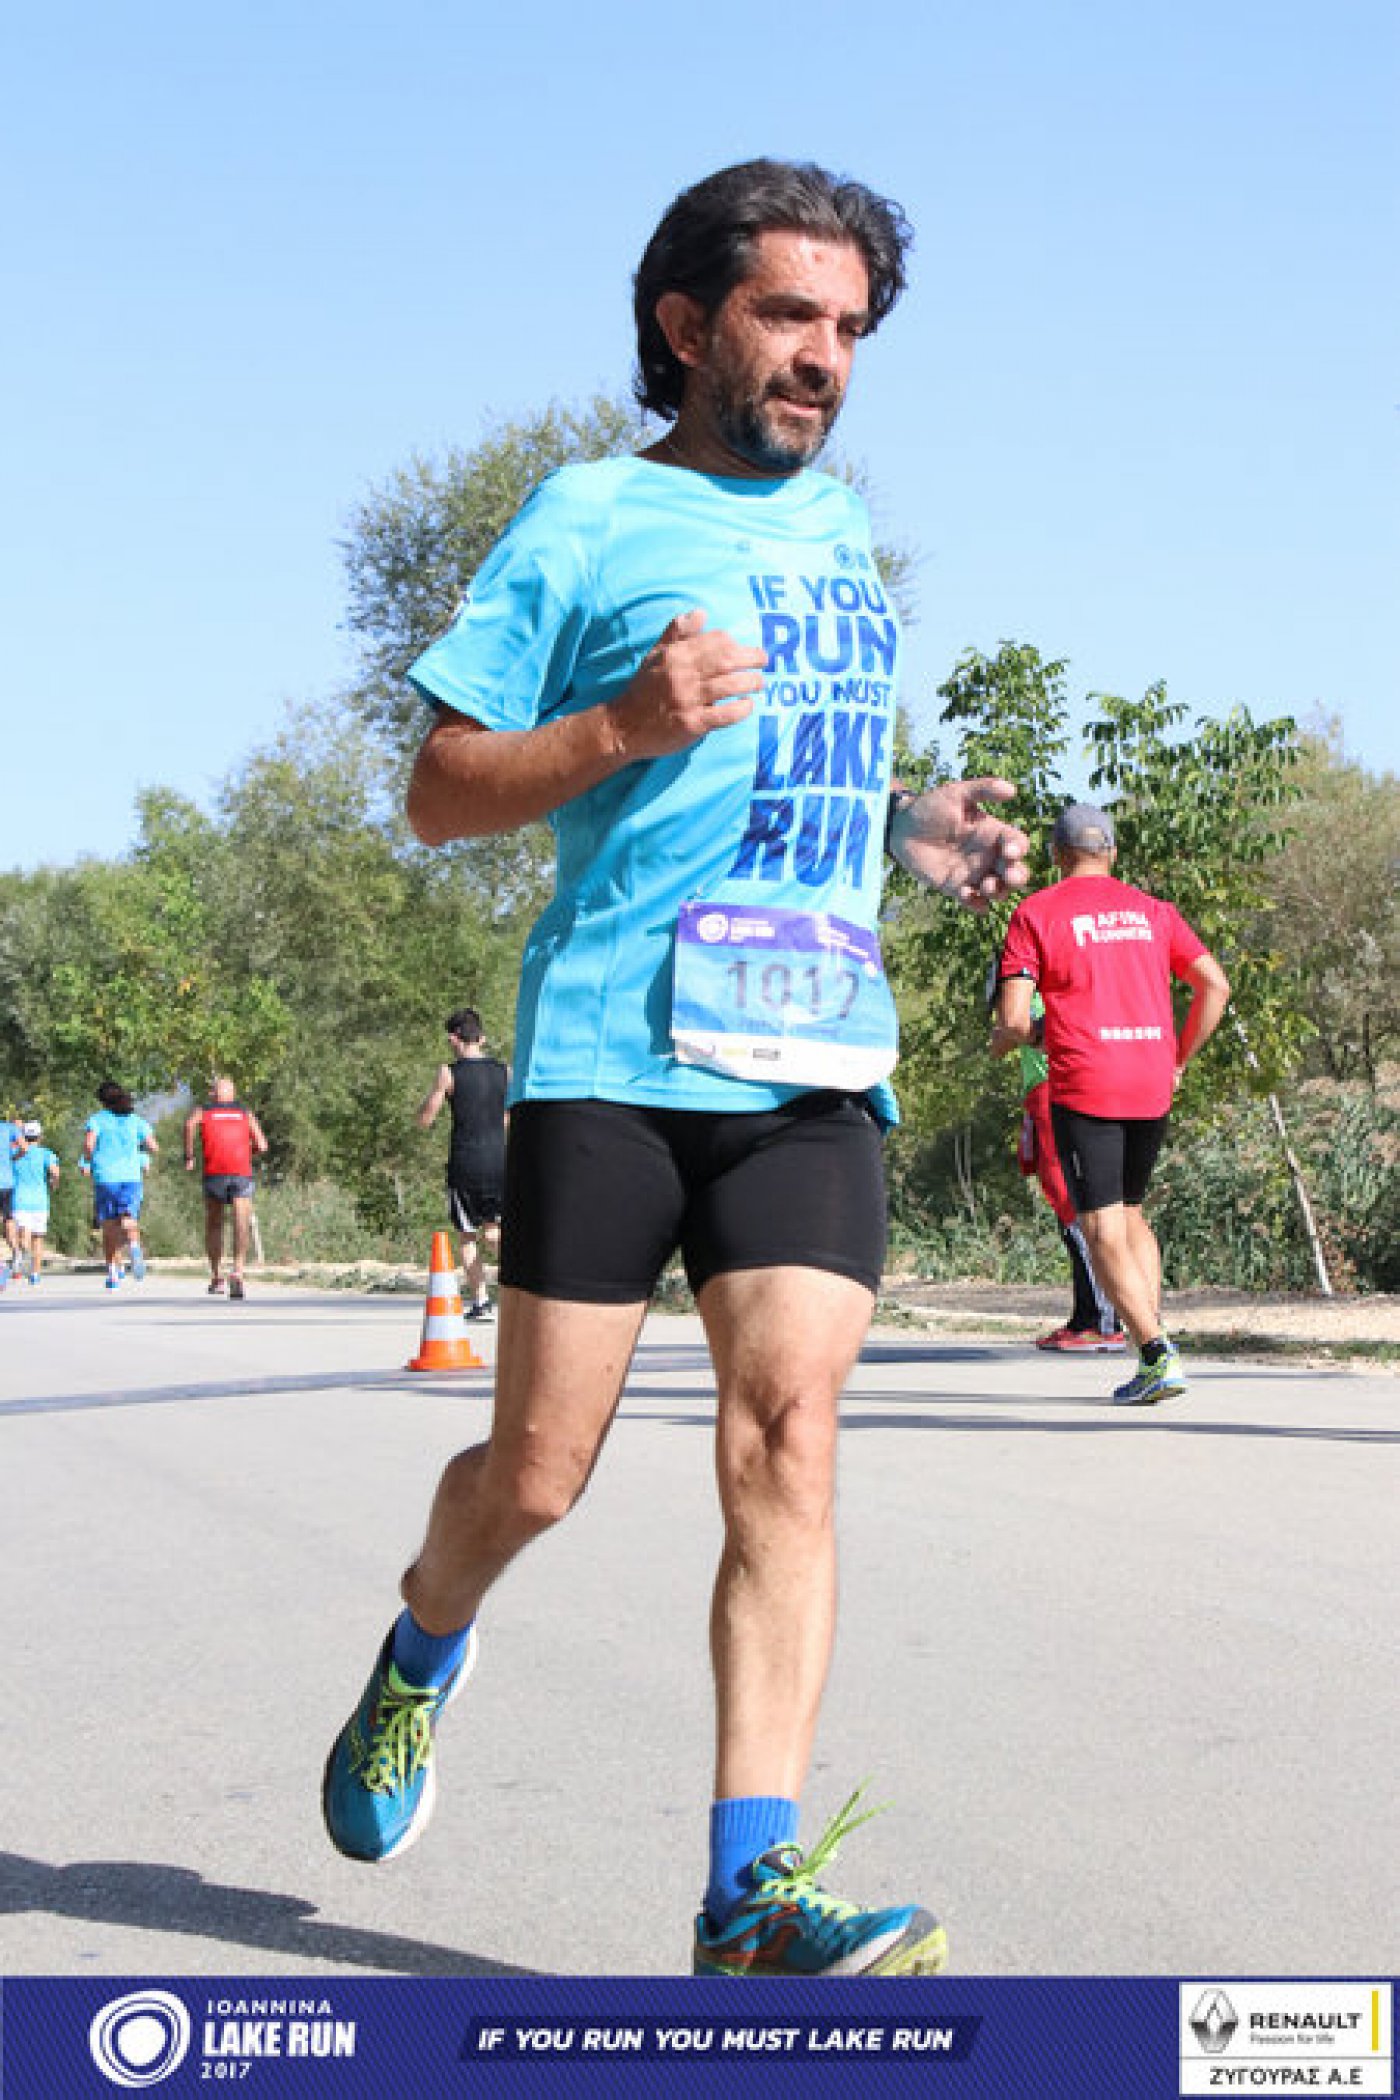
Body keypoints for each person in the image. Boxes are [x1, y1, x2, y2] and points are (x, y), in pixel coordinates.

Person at [321, 158, 1030, 1978]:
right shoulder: (583, 517)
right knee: (537, 1473)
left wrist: (909, 825)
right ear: (687, 323)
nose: (825, 358)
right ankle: (421, 1641)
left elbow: (781, 782)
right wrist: (621, 725)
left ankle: (750, 1893)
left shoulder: (843, 530)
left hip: (811, 1056)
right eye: (790, 316)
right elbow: (437, 790)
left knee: (791, 1439)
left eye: (849, 328)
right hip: (615, 1056)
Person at [995, 803, 1230, 1405]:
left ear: (1056, 854)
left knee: (1099, 1223)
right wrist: (1179, 1056)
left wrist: (1026, 1037)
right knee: (1130, 1211)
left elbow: (1014, 1019)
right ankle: (1156, 1335)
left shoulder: (1036, 912)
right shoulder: (1155, 912)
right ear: (1113, 853)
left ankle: (1155, 1354)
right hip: (1151, 1075)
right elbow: (1215, 984)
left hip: (1087, 1079)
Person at [989, 976, 1124, 1351]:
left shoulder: (1039, 986)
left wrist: (1006, 1032)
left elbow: (1008, 1034)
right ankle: (1084, 1317)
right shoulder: (1040, 985)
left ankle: (1103, 1321)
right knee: (1064, 1204)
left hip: (1058, 1088)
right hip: (1044, 1092)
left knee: (1073, 1205)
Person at [416, 1010, 508, 1319]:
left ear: (454, 1039)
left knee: (468, 1236)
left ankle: (481, 1301)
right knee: (494, 1233)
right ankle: (521, 1291)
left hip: (465, 1162)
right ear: (481, 1038)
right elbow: (509, 1117)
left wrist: (434, 1093)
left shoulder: (449, 1073)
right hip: (498, 1161)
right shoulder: (504, 1072)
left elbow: (426, 1119)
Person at [183, 1076, 269, 1301]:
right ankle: (238, 1270)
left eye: (211, 1090)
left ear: (214, 1094)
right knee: (241, 1220)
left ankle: (216, 1277)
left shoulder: (204, 1111)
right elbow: (262, 1145)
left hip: (215, 1172)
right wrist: (248, 1153)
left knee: (214, 1223)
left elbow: (189, 1125)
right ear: (233, 1094)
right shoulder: (245, 1112)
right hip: (241, 1171)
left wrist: (189, 1156)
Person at [83, 1081, 158, 1289]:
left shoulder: (97, 1120)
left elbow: (89, 1144)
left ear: (102, 1100)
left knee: (109, 1227)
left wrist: (89, 1158)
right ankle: (134, 1247)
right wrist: (139, 1150)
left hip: (106, 1178)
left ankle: (113, 1275)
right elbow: (153, 1146)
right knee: (128, 1218)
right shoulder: (136, 1120)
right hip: (131, 1177)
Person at [10, 1120, 60, 1283]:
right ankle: (35, 1274)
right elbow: (55, 1173)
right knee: (38, 1238)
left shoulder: (15, 1153)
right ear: (40, 1136)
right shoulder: (46, 1154)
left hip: (19, 1199)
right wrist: (54, 1183)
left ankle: (22, 1251)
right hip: (40, 1201)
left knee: (22, 1231)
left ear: (23, 1136)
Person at [0, 1112, 21, 1285]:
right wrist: (13, 1157)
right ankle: (15, 1250)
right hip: (6, 1181)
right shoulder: (9, 1128)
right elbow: (24, 1147)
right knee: (8, 1218)